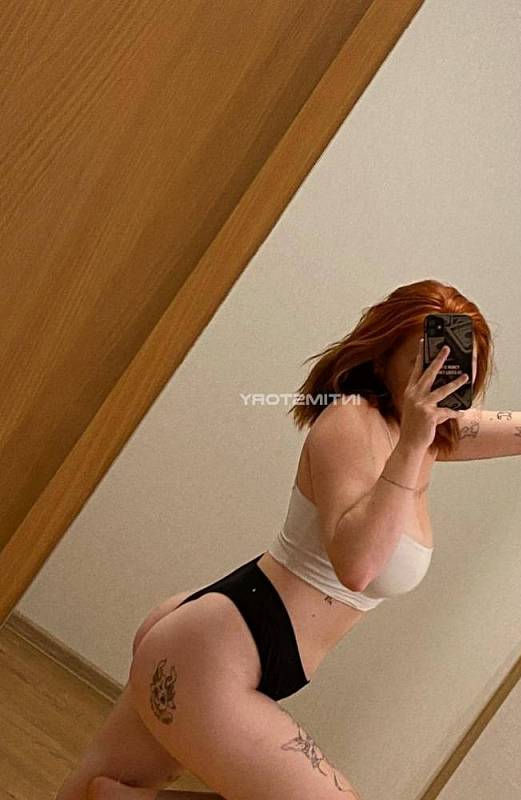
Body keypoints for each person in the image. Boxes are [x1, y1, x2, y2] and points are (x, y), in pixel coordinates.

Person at [56, 280, 488, 800]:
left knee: (96, 787)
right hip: (217, 651)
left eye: (458, 363)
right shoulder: (353, 420)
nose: (440, 374)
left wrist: (422, 435)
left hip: (220, 640)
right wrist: (416, 441)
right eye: (425, 359)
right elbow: (357, 567)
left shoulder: (425, 434)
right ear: (382, 356)